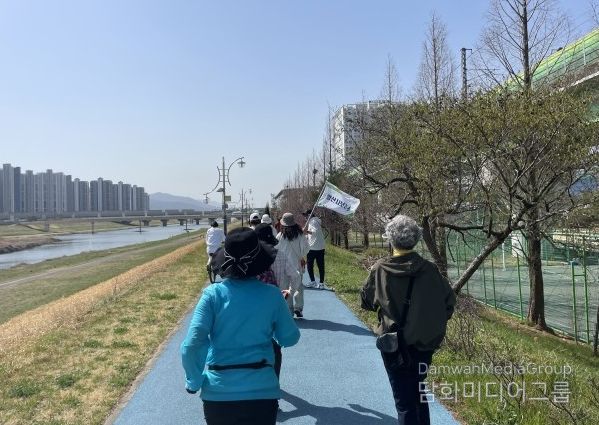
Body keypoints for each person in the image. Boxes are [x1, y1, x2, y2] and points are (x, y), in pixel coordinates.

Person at [181, 227, 300, 425]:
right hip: (262, 392)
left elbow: (192, 344)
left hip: (219, 392)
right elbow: (290, 338)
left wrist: (193, 381)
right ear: (260, 261)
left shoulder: (212, 295)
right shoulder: (272, 295)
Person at [360, 215, 456, 425]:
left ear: (390, 239)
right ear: (417, 239)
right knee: (418, 393)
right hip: (424, 343)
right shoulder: (429, 269)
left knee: (404, 402)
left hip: (395, 345)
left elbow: (366, 301)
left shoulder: (380, 269)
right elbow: (448, 303)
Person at [254, 223, 297, 379]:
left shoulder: (252, 258)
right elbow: (295, 275)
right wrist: (290, 292)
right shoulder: (281, 255)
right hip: (277, 303)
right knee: (275, 344)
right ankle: (274, 379)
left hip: (254, 305)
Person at [275, 212, 310, 318]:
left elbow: (275, 249)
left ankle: (289, 309)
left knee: (286, 288)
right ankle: (298, 307)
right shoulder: (300, 235)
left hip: (284, 267)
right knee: (298, 287)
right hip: (297, 265)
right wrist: (301, 256)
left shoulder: (280, 236)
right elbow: (306, 249)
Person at [302, 209, 330, 290]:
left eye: (306, 215)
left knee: (310, 265)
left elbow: (315, 232)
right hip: (320, 247)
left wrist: (306, 231)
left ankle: (313, 282)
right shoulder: (316, 221)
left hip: (313, 247)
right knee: (320, 265)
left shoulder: (313, 221)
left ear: (309, 215)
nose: (305, 217)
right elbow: (313, 234)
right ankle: (321, 283)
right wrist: (306, 235)